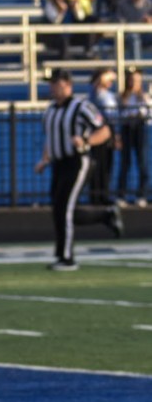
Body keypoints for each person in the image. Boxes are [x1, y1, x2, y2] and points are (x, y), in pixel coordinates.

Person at [34, 68, 124, 271]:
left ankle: (66, 258)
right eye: (51, 84)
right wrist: (44, 159)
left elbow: (105, 131)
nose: (52, 88)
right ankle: (106, 215)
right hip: (58, 163)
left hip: (77, 162)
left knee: (64, 208)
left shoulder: (81, 106)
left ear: (67, 84)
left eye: (56, 83)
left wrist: (85, 140)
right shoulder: (50, 110)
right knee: (61, 210)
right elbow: (52, 138)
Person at [117, 68, 151, 206]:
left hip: (140, 129)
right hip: (127, 129)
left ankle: (142, 195)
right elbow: (117, 114)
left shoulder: (144, 96)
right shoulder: (122, 96)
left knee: (142, 162)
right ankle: (121, 195)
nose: (133, 83)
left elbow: (148, 115)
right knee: (125, 163)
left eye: (137, 80)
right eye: (131, 80)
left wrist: (144, 103)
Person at [88, 67, 119, 208]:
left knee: (107, 164)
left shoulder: (110, 95)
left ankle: (104, 194)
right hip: (98, 130)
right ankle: (96, 195)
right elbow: (96, 91)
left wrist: (116, 135)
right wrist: (104, 76)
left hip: (109, 130)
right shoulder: (96, 93)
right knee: (97, 164)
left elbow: (114, 116)